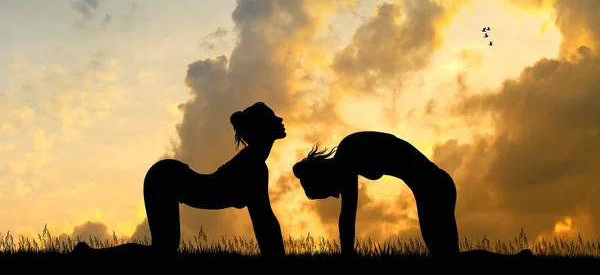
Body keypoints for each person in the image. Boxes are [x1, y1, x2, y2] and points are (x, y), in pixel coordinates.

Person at [73, 102, 286, 258]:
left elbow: (264, 221)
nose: (281, 120)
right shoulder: (253, 166)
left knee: (164, 249)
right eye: (273, 117)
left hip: (168, 177)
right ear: (262, 128)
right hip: (165, 178)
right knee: (163, 250)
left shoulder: (254, 163)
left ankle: (88, 256)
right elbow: (265, 220)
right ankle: (88, 256)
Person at [292, 131, 534, 259]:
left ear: (324, 176)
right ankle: (517, 261)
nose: (336, 195)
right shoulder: (349, 153)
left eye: (328, 192)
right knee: (448, 258)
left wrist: (347, 259)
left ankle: (517, 262)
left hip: (434, 187)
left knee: (447, 259)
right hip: (435, 186)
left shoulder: (349, 153)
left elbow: (348, 216)